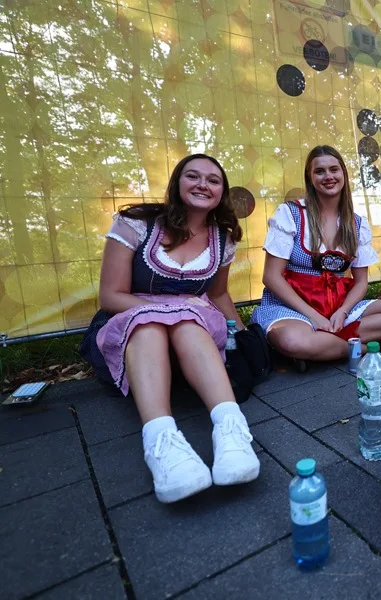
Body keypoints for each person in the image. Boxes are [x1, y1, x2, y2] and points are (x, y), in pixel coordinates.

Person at [78, 154, 259, 504]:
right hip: (134, 321)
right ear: (177, 183)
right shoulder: (137, 224)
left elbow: (217, 294)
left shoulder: (223, 238)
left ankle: (232, 430)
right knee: (152, 324)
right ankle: (162, 444)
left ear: (221, 193)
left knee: (187, 322)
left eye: (213, 180)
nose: (203, 184)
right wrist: (169, 308)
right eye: (193, 176)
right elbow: (111, 296)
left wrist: (242, 334)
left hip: (194, 328)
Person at [251, 146, 381, 365]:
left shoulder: (356, 224)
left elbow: (361, 282)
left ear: (343, 174)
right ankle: (369, 347)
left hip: (337, 306)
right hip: (293, 307)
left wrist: (343, 311)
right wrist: (314, 316)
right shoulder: (290, 214)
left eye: (334, 169)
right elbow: (271, 277)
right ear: (310, 178)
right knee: (292, 340)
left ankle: (320, 347)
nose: (328, 176)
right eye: (320, 171)